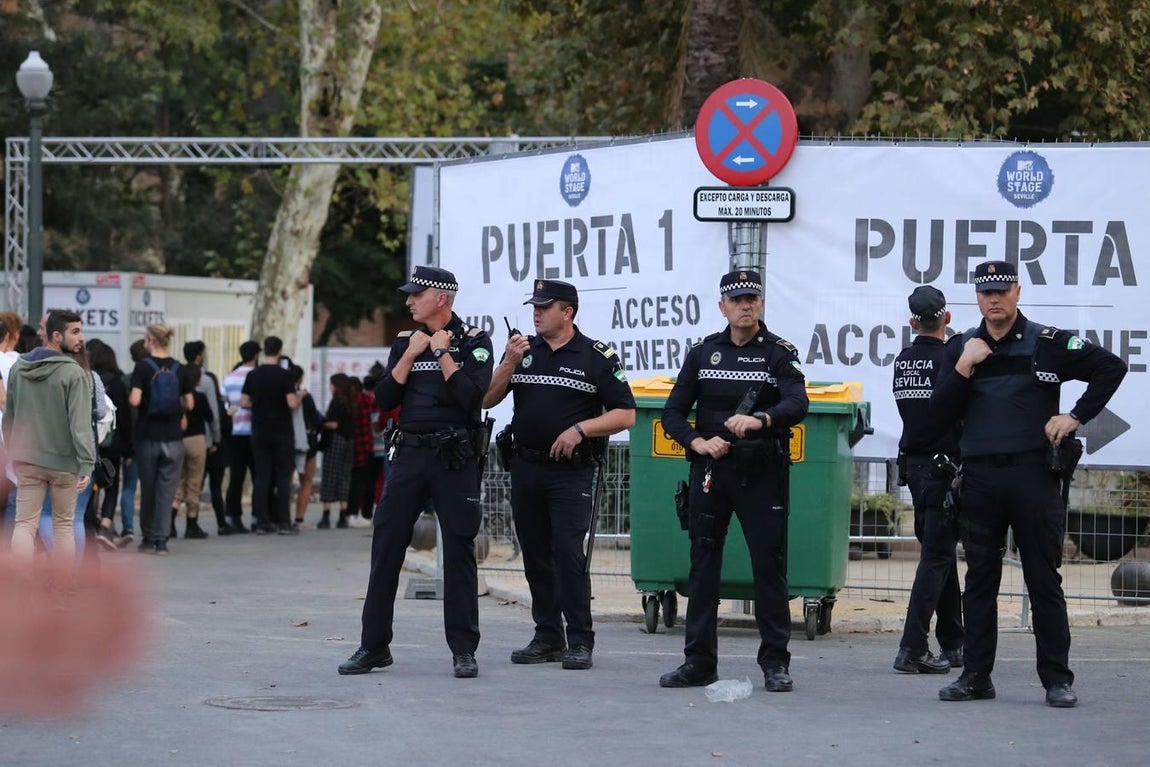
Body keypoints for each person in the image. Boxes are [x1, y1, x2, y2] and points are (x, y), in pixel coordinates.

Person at [932, 260, 1127, 708]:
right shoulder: (961, 346)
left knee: (1044, 579)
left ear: (1017, 291)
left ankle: (1057, 679)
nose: (994, 299)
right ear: (976, 297)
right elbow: (936, 415)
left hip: (1033, 477)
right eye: (985, 292)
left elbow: (1110, 367)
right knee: (980, 579)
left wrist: (1075, 416)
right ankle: (976, 676)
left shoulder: (1048, 342)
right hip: (979, 478)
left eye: (1002, 290)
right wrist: (963, 365)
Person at [339, 266, 493, 679]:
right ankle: (373, 646)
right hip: (407, 455)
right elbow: (385, 397)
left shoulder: (474, 341)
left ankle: (464, 650)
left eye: (416, 295)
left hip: (453, 458)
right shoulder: (405, 342)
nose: (408, 302)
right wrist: (410, 353)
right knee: (386, 548)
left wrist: (443, 353)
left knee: (459, 551)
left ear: (441, 298)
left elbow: (470, 399)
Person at [658, 269, 809, 692]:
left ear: (760, 304)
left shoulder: (779, 353)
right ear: (723, 306)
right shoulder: (703, 352)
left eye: (753, 299)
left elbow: (798, 402)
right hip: (711, 472)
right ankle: (699, 662)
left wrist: (763, 417)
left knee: (769, 566)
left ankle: (775, 663)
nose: (746, 306)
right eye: (738, 299)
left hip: (762, 473)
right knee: (703, 567)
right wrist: (697, 442)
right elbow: (672, 413)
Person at [482, 279, 635, 670]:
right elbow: (487, 399)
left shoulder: (596, 356)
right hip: (526, 466)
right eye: (534, 305)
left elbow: (625, 413)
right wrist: (509, 362)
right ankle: (548, 635)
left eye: (545, 306)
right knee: (535, 557)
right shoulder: (523, 352)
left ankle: (580, 639)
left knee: (568, 554)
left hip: (571, 473)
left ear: (567, 312)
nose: (536, 312)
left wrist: (581, 429)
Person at [891, 286, 963, 674]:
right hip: (945, 471)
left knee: (941, 552)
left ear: (912, 322)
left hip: (916, 469)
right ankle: (912, 647)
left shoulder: (903, 361)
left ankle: (953, 642)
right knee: (936, 557)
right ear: (947, 319)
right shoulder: (952, 360)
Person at [3, 310, 95, 563]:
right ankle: (63, 588)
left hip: (28, 460)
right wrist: (87, 462)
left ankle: (22, 583)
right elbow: (80, 425)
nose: (81, 338)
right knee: (63, 526)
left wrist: (13, 451)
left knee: (24, 524)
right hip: (64, 463)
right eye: (75, 331)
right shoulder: (73, 373)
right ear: (56, 335)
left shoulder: (20, 368)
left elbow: (10, 416)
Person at [129, 323, 194, 556]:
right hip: (174, 437)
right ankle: (162, 541)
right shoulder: (179, 369)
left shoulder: (142, 368)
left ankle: (147, 540)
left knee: (148, 490)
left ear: (150, 340)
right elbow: (190, 403)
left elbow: (135, 400)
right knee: (167, 491)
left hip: (148, 436)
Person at [241, 336, 299, 535]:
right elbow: (291, 402)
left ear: (264, 351)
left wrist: (258, 404)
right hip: (282, 431)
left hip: (259, 431)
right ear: (280, 350)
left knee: (262, 476)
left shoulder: (253, 375)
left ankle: (261, 521)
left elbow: (243, 402)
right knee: (284, 477)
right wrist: (300, 396)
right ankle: (284, 521)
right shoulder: (285, 375)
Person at [91, 341, 133, 550]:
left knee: (92, 484)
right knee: (112, 483)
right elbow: (124, 417)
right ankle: (106, 525)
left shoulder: (87, 378)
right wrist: (129, 448)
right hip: (113, 444)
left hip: (92, 443)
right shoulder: (116, 383)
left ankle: (93, 522)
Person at [171, 364, 213, 540]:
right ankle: (191, 524)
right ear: (197, 380)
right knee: (194, 482)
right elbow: (211, 418)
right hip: (197, 440)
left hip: (178, 440)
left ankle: (169, 523)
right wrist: (215, 440)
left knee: (179, 481)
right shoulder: (200, 397)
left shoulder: (175, 397)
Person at [223, 340, 261, 532]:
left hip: (236, 431)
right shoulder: (258, 376)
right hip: (255, 431)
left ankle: (232, 515)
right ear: (256, 355)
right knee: (258, 476)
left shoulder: (229, 378)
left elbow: (225, 404)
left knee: (236, 477)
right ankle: (257, 516)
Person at [318, 373, 355, 530]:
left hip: (336, 441)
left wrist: (320, 422)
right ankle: (343, 515)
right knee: (344, 477)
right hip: (349, 441)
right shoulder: (351, 402)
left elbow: (334, 424)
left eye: (332, 384)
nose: (330, 387)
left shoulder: (337, 402)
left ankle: (326, 516)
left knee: (330, 476)